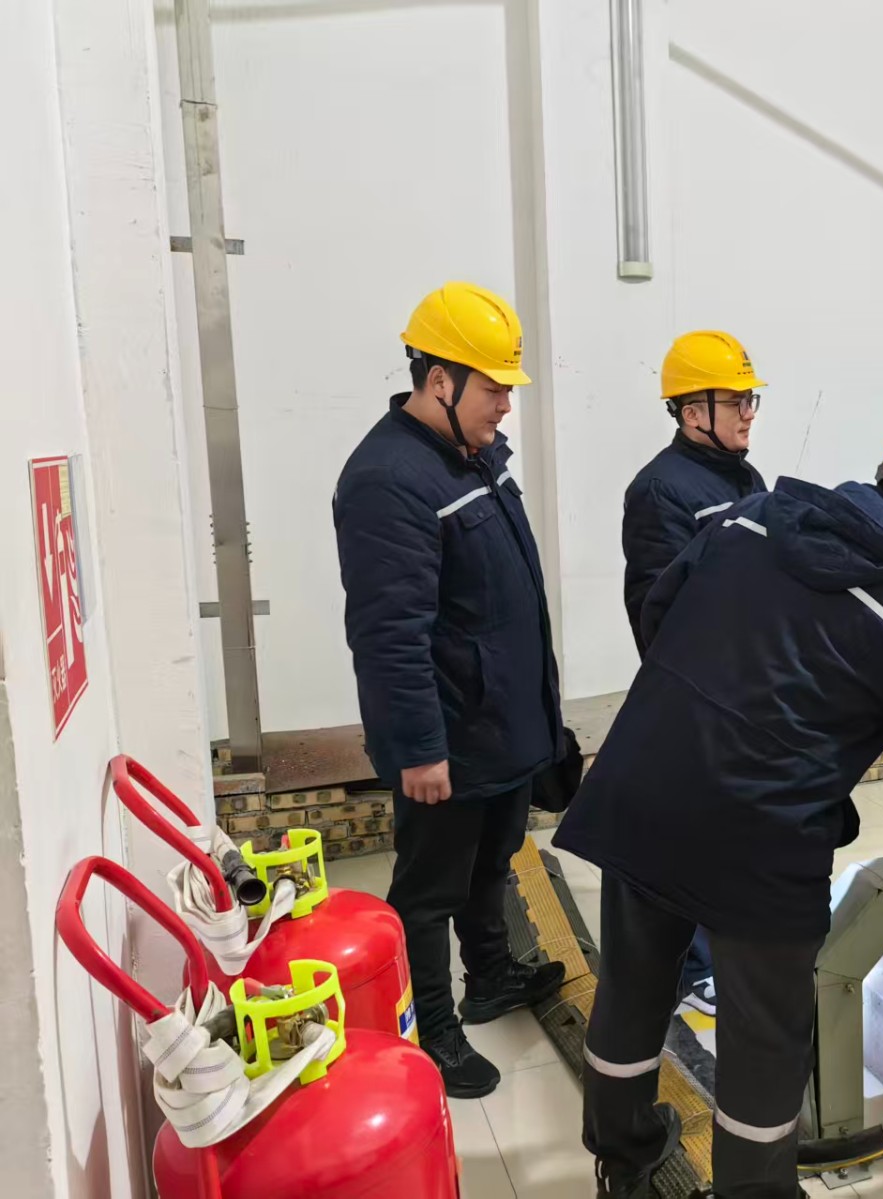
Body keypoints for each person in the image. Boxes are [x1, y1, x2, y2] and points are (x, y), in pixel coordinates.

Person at [556, 414, 883, 1199]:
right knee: (764, 1042)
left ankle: (622, 1159)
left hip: (647, 787)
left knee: (631, 988)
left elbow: (662, 609)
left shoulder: (753, 518)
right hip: (760, 842)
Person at [333, 281, 571, 1099]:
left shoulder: (469, 456)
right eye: (494, 387)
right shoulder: (387, 478)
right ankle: (431, 1029)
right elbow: (388, 632)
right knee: (429, 887)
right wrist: (418, 748)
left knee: (493, 860)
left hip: (497, 721)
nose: (505, 404)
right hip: (449, 734)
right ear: (439, 379)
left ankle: (492, 976)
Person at [620, 330, 769, 1017]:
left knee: (733, 831)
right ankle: (694, 967)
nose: (748, 413)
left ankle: (725, 947)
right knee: (697, 835)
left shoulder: (745, 477)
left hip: (746, 686)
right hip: (700, 691)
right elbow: (657, 606)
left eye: (750, 399)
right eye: (735, 401)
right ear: (691, 411)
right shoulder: (660, 489)